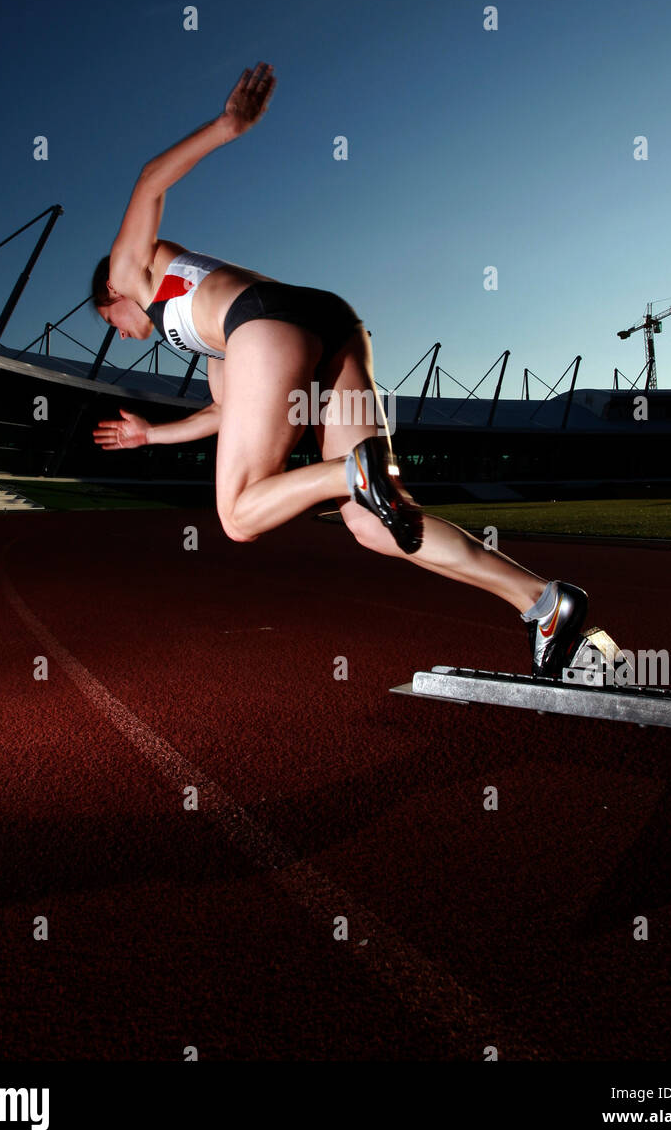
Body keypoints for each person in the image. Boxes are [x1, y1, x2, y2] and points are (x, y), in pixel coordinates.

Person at [91, 63, 588, 677]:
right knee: (376, 524)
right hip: (328, 324)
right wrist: (150, 435)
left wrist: (227, 126)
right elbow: (228, 412)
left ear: (109, 295)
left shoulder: (127, 274)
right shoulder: (210, 340)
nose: (119, 332)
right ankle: (542, 601)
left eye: (109, 321)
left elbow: (147, 184)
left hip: (270, 325)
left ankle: (346, 472)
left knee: (239, 517)